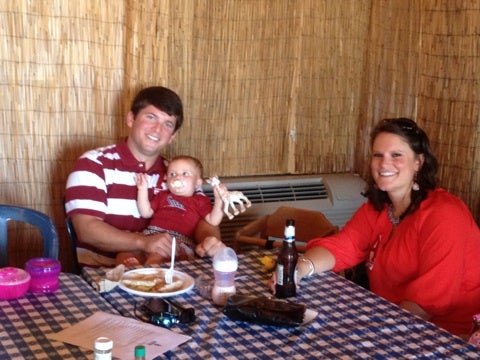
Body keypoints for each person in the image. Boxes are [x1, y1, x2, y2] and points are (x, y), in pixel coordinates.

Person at [283, 117, 480, 337]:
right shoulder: (378, 208)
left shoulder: (445, 214)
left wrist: (377, 332)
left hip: (447, 336)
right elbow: (342, 246)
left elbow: (427, 302)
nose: (384, 164)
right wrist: (299, 269)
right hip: (392, 321)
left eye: (396, 155)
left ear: (419, 162)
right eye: (378, 155)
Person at [65, 86, 225, 268]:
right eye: (151, 117)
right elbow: (87, 229)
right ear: (131, 119)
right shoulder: (94, 164)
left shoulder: (176, 173)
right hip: (104, 274)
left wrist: (209, 240)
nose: (157, 129)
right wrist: (143, 242)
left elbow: (204, 220)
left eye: (168, 124)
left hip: (168, 273)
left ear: (172, 136)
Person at [116, 155, 224, 265]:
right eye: (172, 174)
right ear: (167, 180)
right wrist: (142, 190)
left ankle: (147, 274)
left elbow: (213, 220)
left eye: (185, 174)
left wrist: (219, 200)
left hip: (178, 241)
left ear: (197, 183)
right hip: (151, 236)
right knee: (123, 254)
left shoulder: (199, 200)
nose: (177, 177)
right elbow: (146, 212)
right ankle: (134, 270)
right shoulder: (162, 196)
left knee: (157, 255)